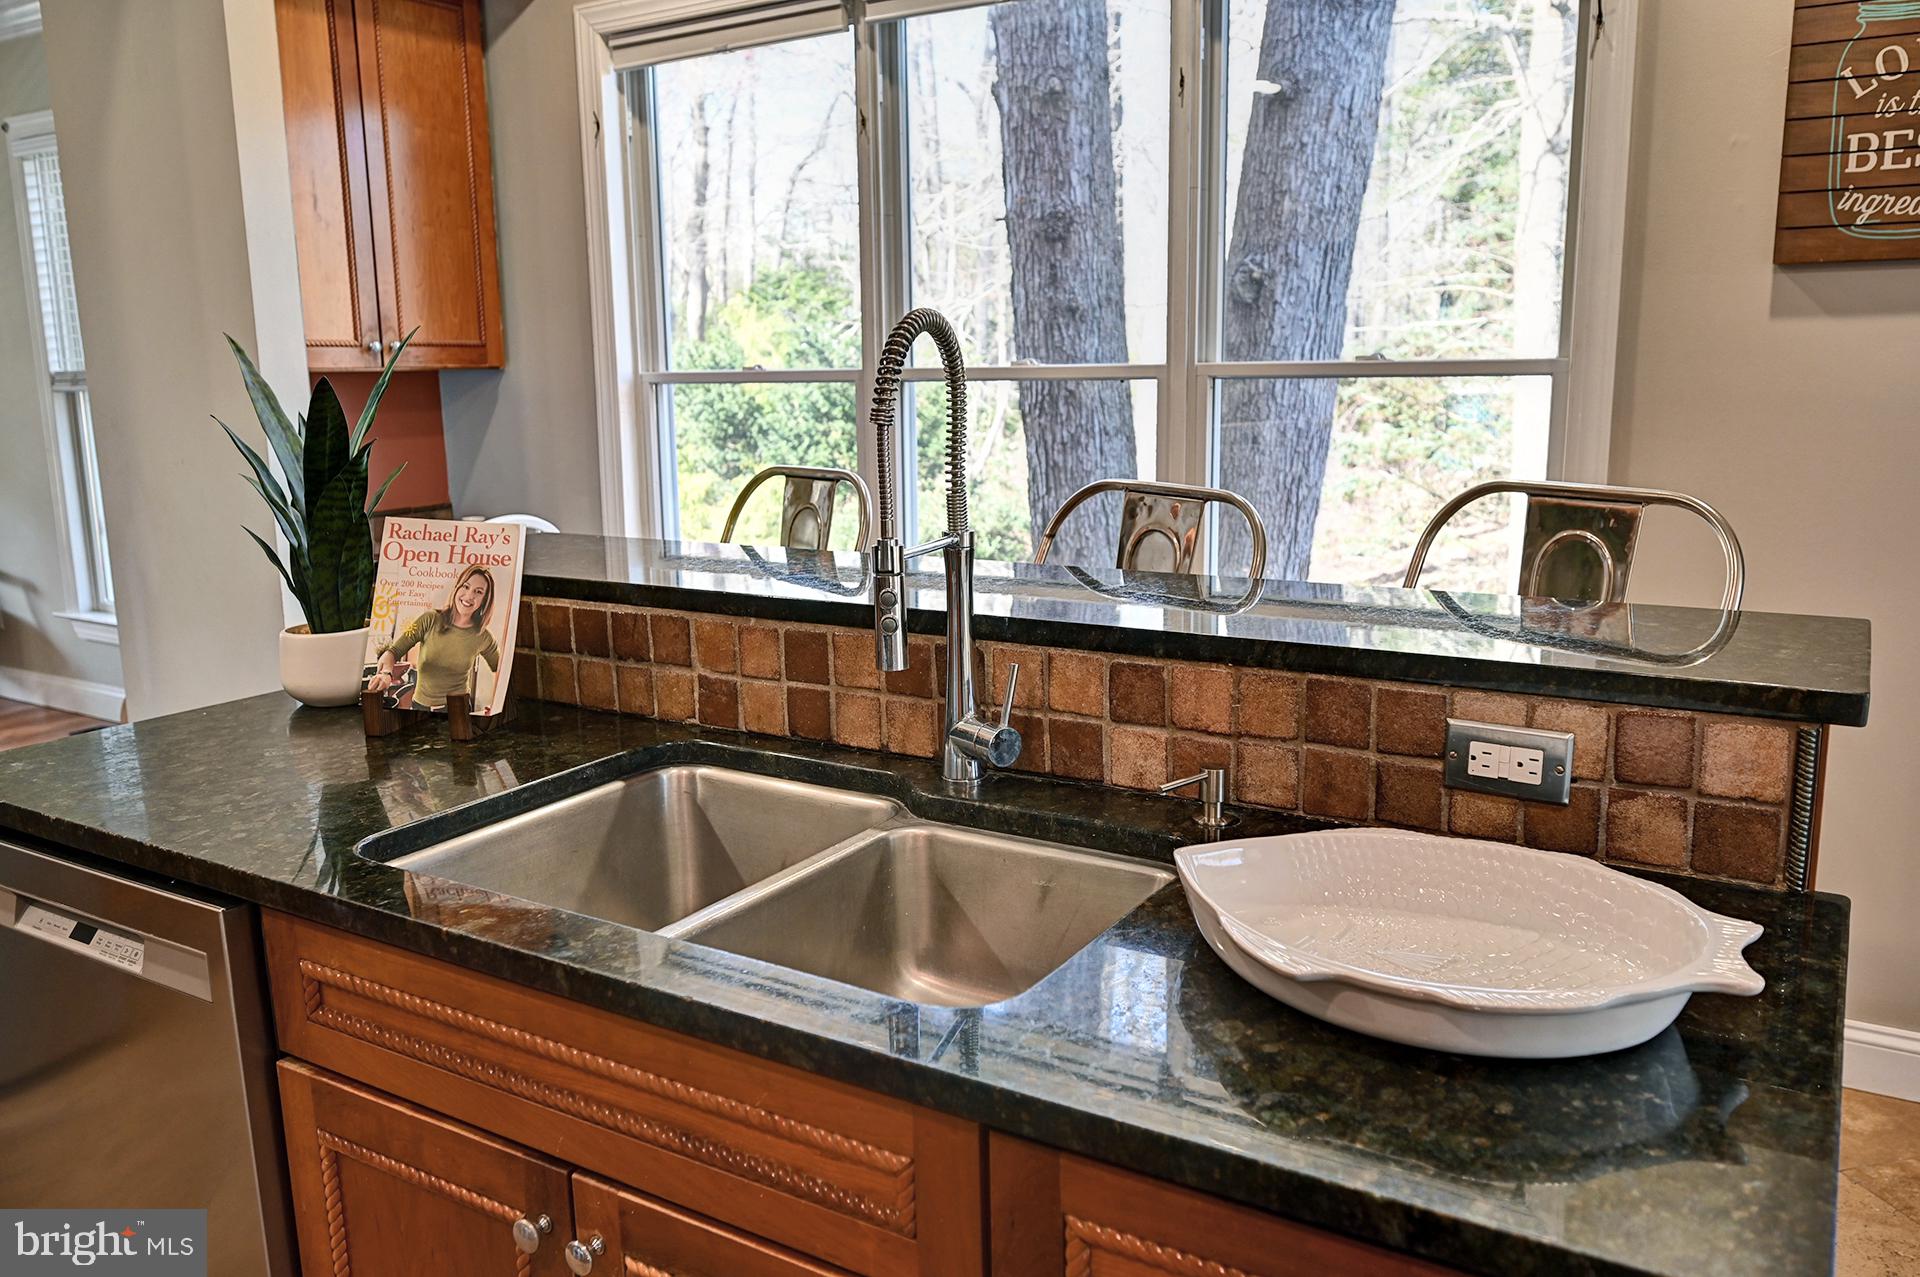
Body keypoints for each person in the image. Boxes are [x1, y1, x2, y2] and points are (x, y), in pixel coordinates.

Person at [366, 564, 502, 710]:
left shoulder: (484, 637)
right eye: (466, 586)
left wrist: (497, 703)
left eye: (478, 592)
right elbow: (394, 651)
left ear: (484, 600)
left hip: (458, 708)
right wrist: (386, 673)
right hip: (420, 706)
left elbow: (502, 670)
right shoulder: (429, 619)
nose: (469, 596)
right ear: (457, 587)